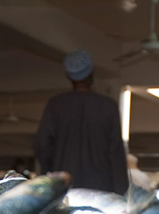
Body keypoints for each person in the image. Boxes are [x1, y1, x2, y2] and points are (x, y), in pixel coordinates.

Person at [33, 50, 128, 193]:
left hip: (63, 187)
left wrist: (49, 175)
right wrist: (122, 191)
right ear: (91, 75)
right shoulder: (108, 106)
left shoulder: (56, 105)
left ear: (68, 76)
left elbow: (42, 145)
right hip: (100, 188)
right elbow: (116, 153)